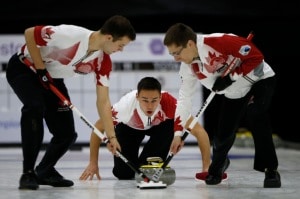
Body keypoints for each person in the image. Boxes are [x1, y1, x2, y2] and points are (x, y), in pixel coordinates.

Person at [5, 15, 136, 190]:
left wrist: (111, 137)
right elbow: (30, 33)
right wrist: (41, 68)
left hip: (51, 79)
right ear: (109, 37)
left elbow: (103, 101)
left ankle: (44, 171)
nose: (121, 50)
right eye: (121, 45)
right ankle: (27, 173)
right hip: (25, 68)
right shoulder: (70, 35)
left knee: (66, 134)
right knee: (34, 107)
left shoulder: (102, 61)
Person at [163, 23, 281, 188]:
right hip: (235, 92)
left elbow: (256, 57)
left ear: (190, 44)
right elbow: (184, 99)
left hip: (259, 79)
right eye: (172, 54)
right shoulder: (188, 67)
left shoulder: (220, 41)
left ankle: (270, 169)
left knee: (256, 114)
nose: (175, 58)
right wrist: (177, 134)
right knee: (223, 133)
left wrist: (230, 77)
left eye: (177, 53)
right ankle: (217, 167)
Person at [79, 77, 219, 182]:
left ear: (160, 97)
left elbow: (200, 132)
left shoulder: (170, 103)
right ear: (137, 97)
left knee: (148, 169)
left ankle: (150, 162)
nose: (150, 106)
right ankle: (139, 165)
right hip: (129, 129)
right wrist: (93, 163)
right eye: (145, 100)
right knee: (124, 174)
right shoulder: (124, 107)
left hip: (159, 129)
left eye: (154, 100)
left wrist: (207, 167)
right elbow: (98, 128)